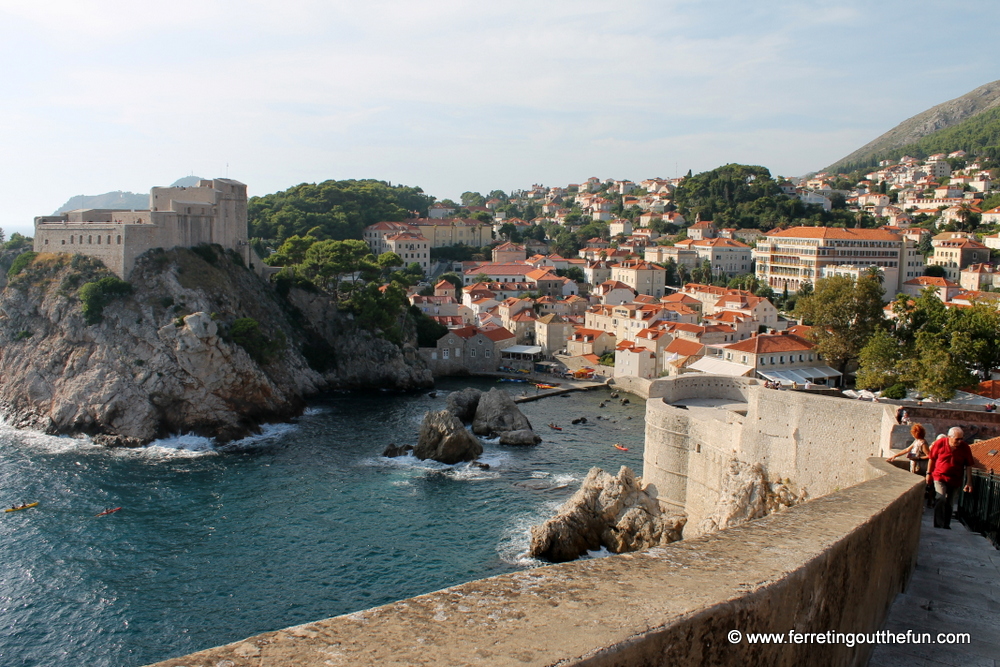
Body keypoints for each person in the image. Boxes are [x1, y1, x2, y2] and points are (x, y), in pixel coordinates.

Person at [926, 426, 975, 529]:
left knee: (950, 503)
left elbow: (969, 465)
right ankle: (938, 523)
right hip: (940, 476)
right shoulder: (940, 444)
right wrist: (928, 473)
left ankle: (946, 524)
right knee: (941, 498)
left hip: (956, 478)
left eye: (961, 439)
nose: (960, 441)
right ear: (949, 437)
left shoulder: (965, 447)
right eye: (957, 439)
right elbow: (932, 459)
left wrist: (969, 482)